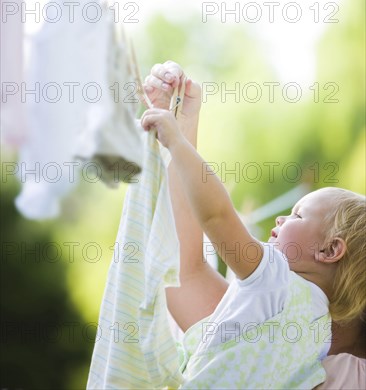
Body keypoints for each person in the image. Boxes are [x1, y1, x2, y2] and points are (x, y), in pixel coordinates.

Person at [141, 60, 366, 390]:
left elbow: (218, 216)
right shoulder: (308, 342)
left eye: (298, 215)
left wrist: (178, 141)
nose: (281, 218)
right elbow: (185, 271)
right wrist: (184, 123)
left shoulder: (274, 278)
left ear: (331, 249)